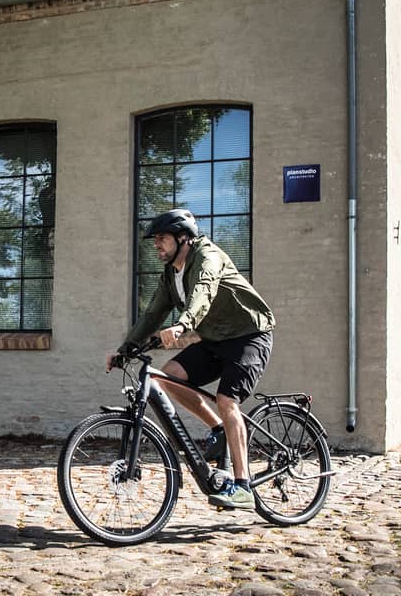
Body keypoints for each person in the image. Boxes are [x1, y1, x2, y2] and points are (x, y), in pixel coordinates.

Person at [106, 208, 276, 509]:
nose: (156, 245)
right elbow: (152, 313)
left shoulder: (207, 257)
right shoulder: (171, 274)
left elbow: (203, 293)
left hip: (250, 335)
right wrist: (125, 350)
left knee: (227, 400)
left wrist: (183, 325)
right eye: (155, 240)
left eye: (162, 238)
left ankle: (242, 485)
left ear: (183, 238)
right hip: (215, 339)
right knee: (171, 375)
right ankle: (218, 429)